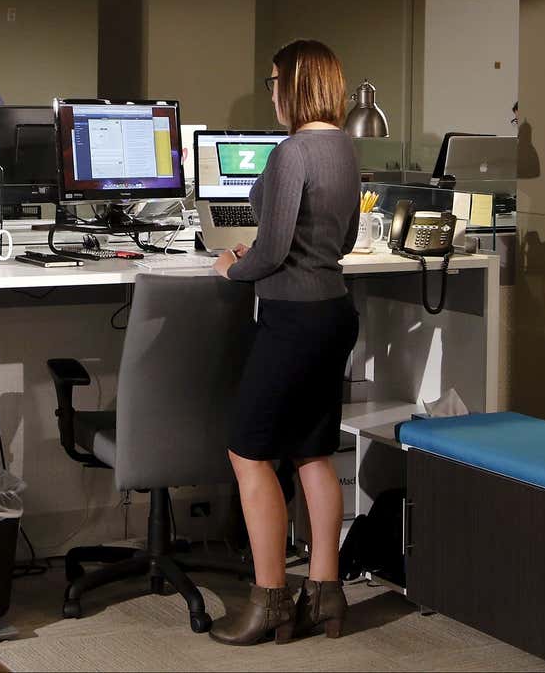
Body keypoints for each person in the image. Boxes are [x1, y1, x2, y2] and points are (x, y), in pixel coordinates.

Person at [210, 39, 361, 645]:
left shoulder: (292, 151)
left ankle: (270, 599)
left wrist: (230, 268)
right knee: (313, 453)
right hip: (333, 313)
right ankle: (325, 593)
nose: (270, 90)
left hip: (291, 320)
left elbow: (270, 250)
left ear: (295, 84)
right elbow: (343, 240)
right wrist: (290, 254)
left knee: (249, 453)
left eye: (274, 80)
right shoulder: (343, 149)